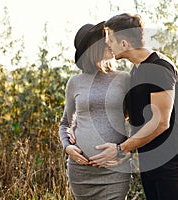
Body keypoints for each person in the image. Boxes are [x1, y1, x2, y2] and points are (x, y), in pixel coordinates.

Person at [89, 13, 178, 200]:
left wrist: (121, 149)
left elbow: (161, 122)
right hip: (148, 158)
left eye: (110, 40)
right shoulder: (136, 70)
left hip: (170, 161)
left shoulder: (159, 67)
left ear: (124, 44)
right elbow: (129, 114)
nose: (108, 45)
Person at [59, 21, 131, 200]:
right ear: (93, 47)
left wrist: (125, 151)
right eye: (105, 39)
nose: (109, 43)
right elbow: (65, 124)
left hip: (114, 171)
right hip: (81, 172)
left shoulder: (124, 79)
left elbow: (137, 122)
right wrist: (67, 147)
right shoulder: (74, 83)